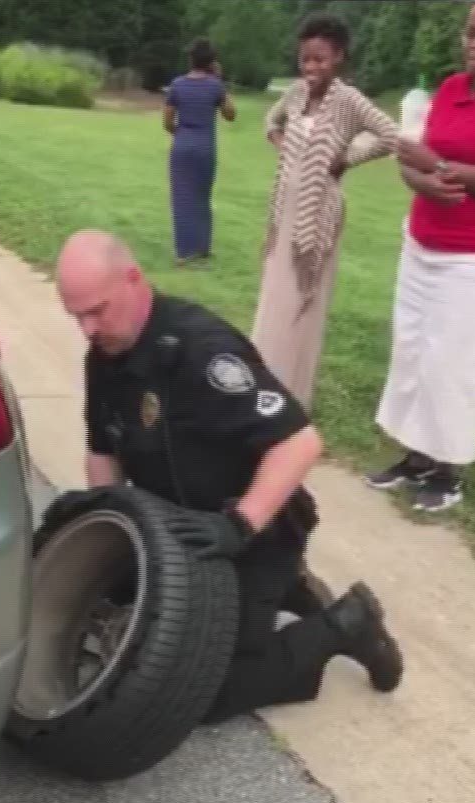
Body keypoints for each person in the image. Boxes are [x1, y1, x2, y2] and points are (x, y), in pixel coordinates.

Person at [46, 229, 403, 722]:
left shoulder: (203, 352)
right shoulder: (105, 353)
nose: (86, 328)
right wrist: (108, 525)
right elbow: (103, 450)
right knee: (112, 603)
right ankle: (290, 591)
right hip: (179, 530)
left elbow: (300, 443)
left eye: (96, 310)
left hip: (253, 531)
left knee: (201, 692)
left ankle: (347, 625)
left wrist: (239, 525)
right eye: (76, 315)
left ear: (133, 280)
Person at [367, 2, 475, 513]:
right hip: (422, 241)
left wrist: (441, 166)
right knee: (414, 351)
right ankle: (416, 456)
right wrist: (424, 178)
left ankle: (449, 471)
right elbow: (412, 158)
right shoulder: (447, 90)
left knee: (457, 362)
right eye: (473, 33)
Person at [251, 12, 400, 407]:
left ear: (339, 58)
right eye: (305, 59)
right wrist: (281, 141)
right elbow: (271, 119)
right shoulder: (297, 94)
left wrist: (347, 157)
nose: (312, 67)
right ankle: (265, 381)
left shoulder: (349, 102)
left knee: (302, 305)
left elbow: (389, 135)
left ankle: (291, 395)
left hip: (316, 220)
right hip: (284, 214)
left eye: (320, 58)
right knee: (274, 300)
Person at [163, 39, 236, 267]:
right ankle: (203, 248)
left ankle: (184, 253)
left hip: (183, 144)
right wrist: (221, 81)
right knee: (203, 196)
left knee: (182, 198)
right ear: (212, 62)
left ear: (191, 60)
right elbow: (230, 114)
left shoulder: (177, 85)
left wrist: (180, 134)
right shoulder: (215, 86)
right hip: (205, 146)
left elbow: (167, 121)